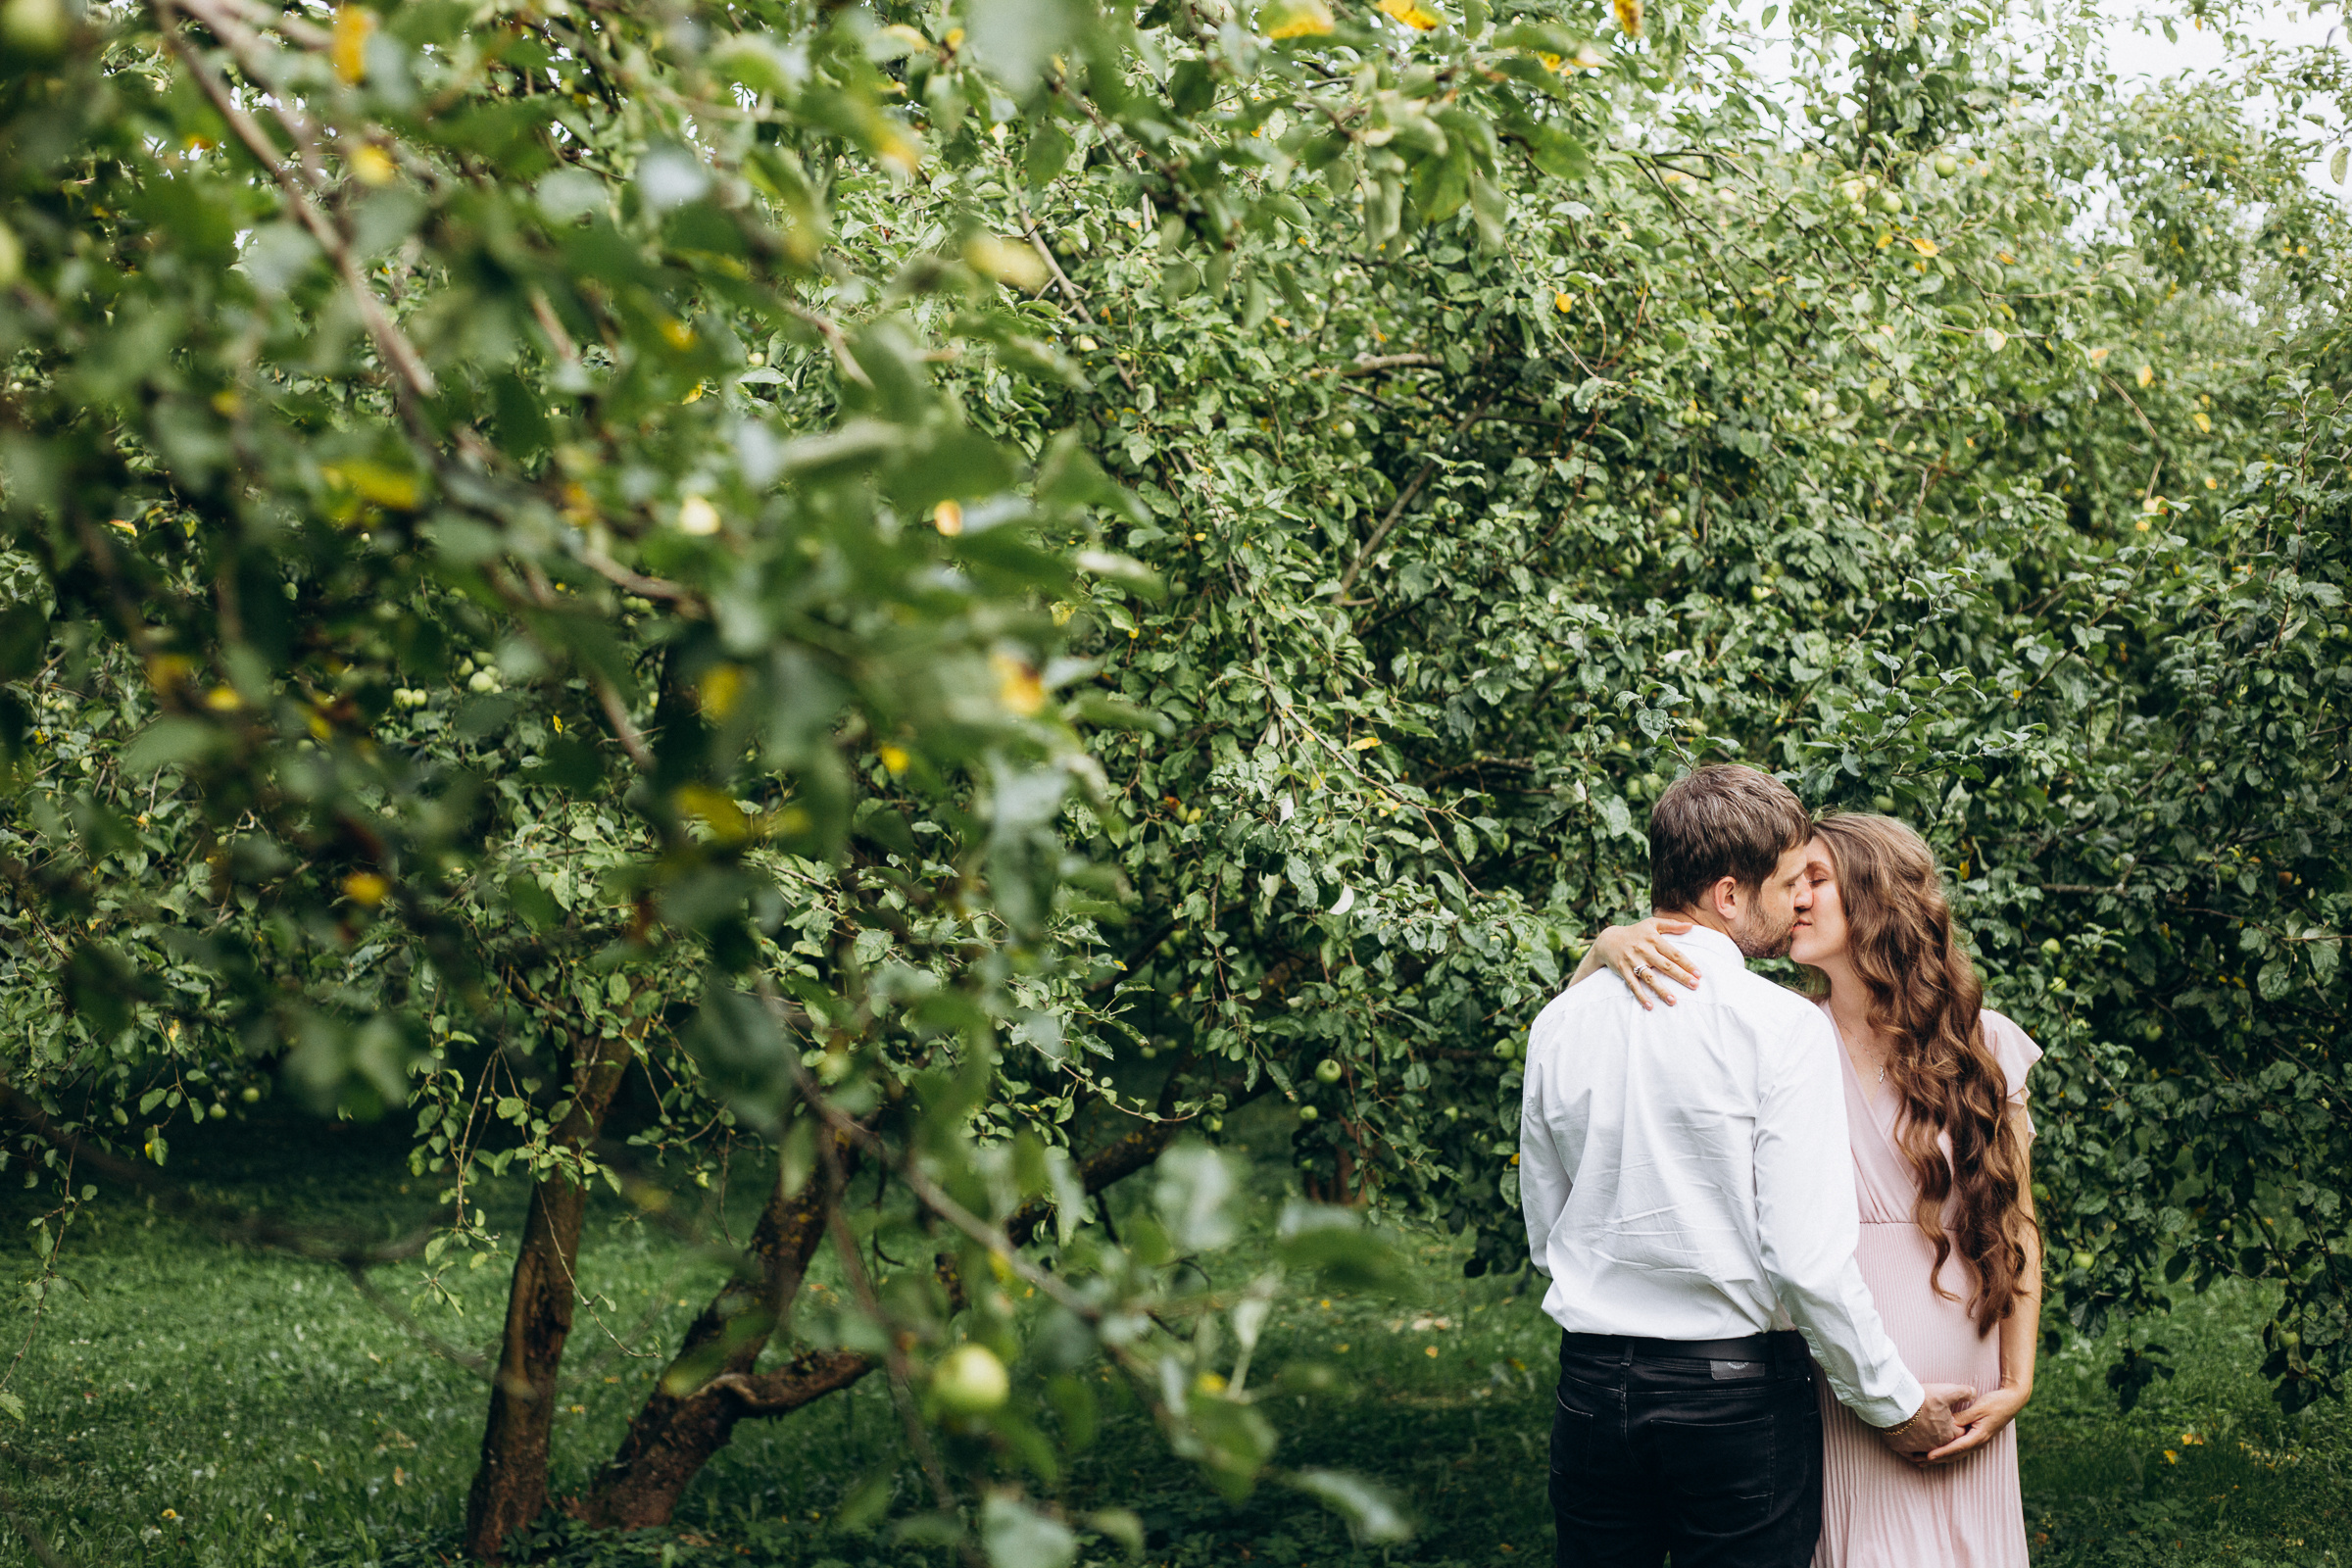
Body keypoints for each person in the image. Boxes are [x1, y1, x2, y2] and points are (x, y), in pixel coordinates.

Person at [1521, 765, 1975, 1568]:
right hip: (1732, 1398)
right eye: (1791, 882)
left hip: (1591, 1389)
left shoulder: (1560, 1022)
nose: (1800, 899)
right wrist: (1896, 1407)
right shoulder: (1780, 1029)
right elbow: (1806, 1261)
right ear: (1730, 896)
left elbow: (1545, 1228)